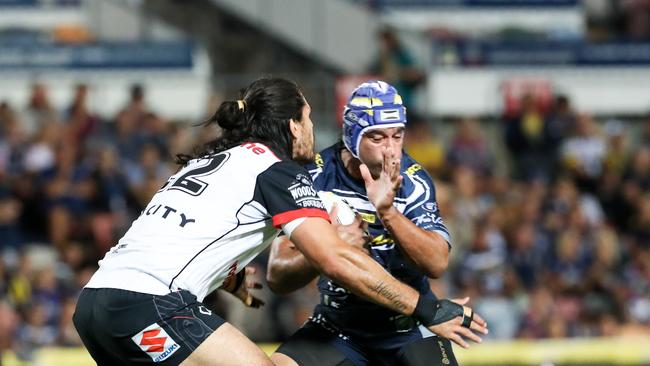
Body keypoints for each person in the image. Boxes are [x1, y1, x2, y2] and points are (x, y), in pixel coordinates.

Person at [73, 78, 486, 366]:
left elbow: (185, 231)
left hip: (95, 304)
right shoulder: (276, 170)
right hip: (148, 306)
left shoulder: (211, 161)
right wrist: (428, 308)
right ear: (292, 126)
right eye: (307, 119)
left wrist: (229, 275)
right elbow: (337, 261)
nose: (311, 128)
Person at [268, 80, 486, 366]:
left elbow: (437, 263)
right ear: (352, 135)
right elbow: (277, 275)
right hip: (337, 326)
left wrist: (388, 212)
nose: (391, 151)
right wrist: (327, 249)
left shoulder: (413, 181)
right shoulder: (312, 178)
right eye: (378, 138)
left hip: (407, 327)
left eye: (397, 136)